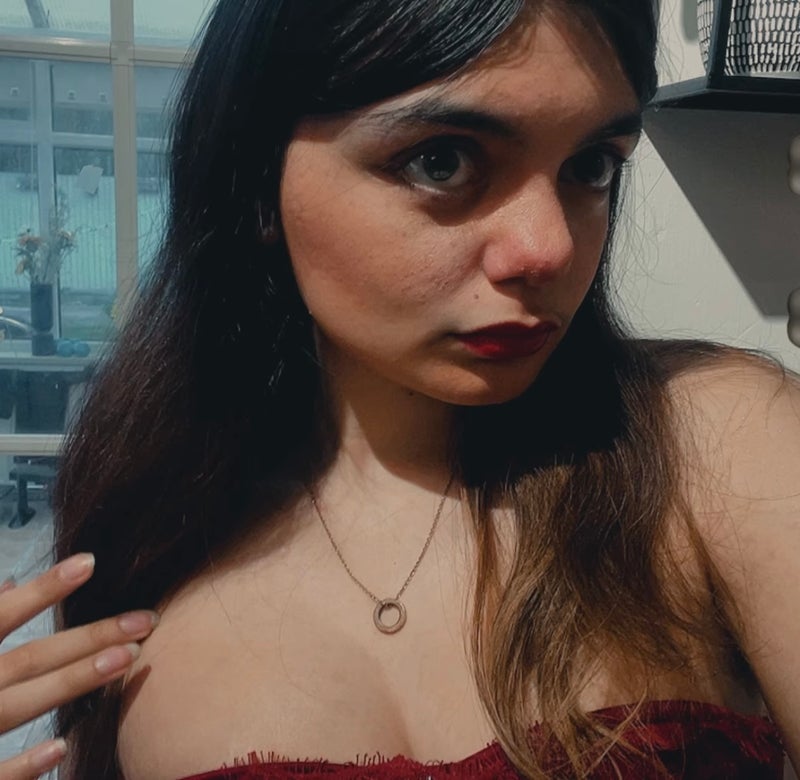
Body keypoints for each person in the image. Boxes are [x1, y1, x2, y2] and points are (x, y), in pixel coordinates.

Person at [1, 0, 798, 777]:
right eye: (441, 161)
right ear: (256, 184)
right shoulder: (144, 538)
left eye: (591, 166)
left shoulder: (712, 446)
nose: (549, 248)